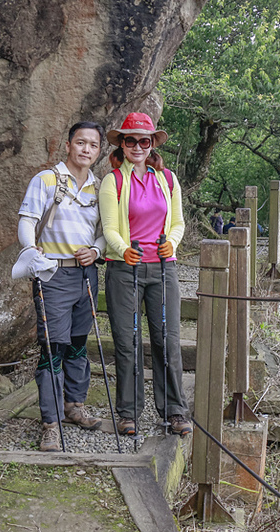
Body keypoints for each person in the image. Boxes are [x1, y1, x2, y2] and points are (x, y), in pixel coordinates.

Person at [98, 112, 193, 437]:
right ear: (122, 144)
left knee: (167, 341)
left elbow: (178, 222)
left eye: (144, 140)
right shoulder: (114, 180)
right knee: (127, 342)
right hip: (124, 270)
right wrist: (124, 249)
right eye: (130, 140)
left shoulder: (167, 179)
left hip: (163, 269)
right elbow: (109, 228)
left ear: (152, 144)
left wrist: (173, 243)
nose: (137, 146)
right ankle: (129, 413)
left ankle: (175, 411)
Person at [16, 121, 107, 452]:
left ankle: (74, 406)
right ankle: (50, 423)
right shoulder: (46, 180)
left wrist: (96, 250)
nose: (86, 149)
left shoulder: (101, 188)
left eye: (93, 145)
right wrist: (31, 249)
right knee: (53, 347)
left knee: (78, 344)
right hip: (52, 273)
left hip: (85, 274)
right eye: (80, 142)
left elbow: (103, 231)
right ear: (67, 145)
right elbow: (27, 220)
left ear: (99, 152)